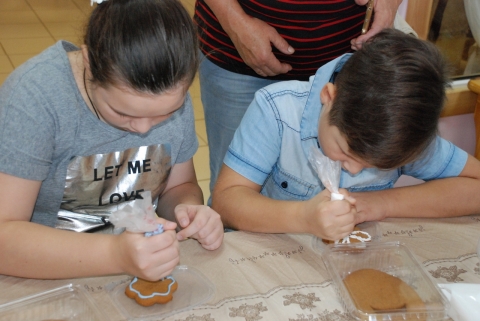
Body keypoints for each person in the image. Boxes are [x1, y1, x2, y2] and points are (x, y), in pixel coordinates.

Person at [0, 0, 223, 280]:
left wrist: (187, 211)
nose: (143, 129)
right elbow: (4, 237)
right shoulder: (36, 98)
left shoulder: (169, 83)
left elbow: (180, 186)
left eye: (166, 113)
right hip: (48, 276)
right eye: (122, 112)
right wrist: (116, 254)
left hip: (138, 268)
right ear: (90, 64)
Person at [211, 29, 480, 241]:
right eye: (346, 151)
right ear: (329, 97)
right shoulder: (277, 110)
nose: (352, 170)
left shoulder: (403, 129)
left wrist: (380, 204)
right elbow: (226, 202)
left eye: (377, 166)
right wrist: (303, 218)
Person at [194, 0, 407, 198]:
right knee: (234, 192)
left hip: (350, 61)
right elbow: (230, 200)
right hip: (238, 55)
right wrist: (235, 21)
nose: (354, 169)